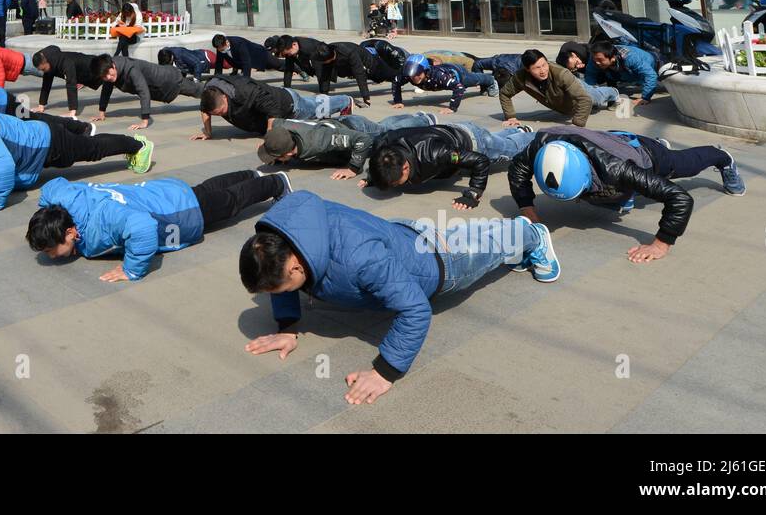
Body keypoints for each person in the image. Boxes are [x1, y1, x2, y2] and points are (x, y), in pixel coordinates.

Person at [239, 191, 559, 405]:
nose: (276, 297)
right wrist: (287, 326)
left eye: (278, 292)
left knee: (490, 249)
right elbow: (278, 277)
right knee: (478, 238)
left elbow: (415, 309)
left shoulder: (359, 259)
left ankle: (532, 234)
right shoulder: (285, 234)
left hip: (438, 265)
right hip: (394, 238)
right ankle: (511, 234)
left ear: (295, 265)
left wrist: (384, 372)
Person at [509, 126, 744, 263]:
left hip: (649, 157)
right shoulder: (538, 146)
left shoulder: (617, 169)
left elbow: (680, 198)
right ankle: (627, 185)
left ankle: (721, 156)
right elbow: (517, 169)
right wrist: (527, 209)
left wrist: (661, 244)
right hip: (609, 141)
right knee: (613, 195)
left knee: (684, 164)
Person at [28, 170, 292, 282]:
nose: (49, 255)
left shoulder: (103, 219)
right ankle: (250, 175)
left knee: (230, 202)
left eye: (51, 249)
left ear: (70, 232)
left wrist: (132, 270)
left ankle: (276, 182)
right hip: (162, 193)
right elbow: (52, 186)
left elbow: (142, 227)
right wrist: (46, 213)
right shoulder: (66, 202)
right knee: (205, 190)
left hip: (178, 212)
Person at [0, 110, 154, 214]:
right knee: (87, 146)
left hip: (47, 144)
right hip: (34, 139)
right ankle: (78, 128)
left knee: (93, 150)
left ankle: (138, 145)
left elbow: (3, 167)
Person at [365, 121, 538, 208]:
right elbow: (380, 159)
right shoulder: (383, 149)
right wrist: (375, 177)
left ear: (405, 167)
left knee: (511, 149)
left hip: (474, 140)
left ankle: (541, 136)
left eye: (395, 183)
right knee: (500, 140)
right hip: (447, 132)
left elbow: (479, 160)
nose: (393, 187)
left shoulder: (435, 153)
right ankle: (518, 130)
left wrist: (473, 192)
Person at [255, 111, 437, 178]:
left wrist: (353, 168)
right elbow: (273, 121)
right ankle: (415, 117)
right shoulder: (284, 129)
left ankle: (425, 120)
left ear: (287, 153)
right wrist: (271, 143)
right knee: (382, 125)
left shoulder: (318, 141)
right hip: (340, 125)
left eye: (275, 156)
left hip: (354, 129)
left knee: (385, 131)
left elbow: (362, 140)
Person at [195, 74, 353, 139]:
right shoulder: (210, 92)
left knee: (316, 110)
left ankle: (345, 100)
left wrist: (270, 140)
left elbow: (273, 111)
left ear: (224, 96)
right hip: (278, 98)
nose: (223, 114)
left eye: (222, 111)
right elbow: (205, 109)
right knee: (313, 104)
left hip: (289, 106)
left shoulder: (246, 91)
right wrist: (208, 132)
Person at [498, 48, 617, 128]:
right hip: (567, 103)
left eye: (544, 65)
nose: (543, 70)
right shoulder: (521, 77)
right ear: (527, 69)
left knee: (597, 97)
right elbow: (505, 93)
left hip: (576, 86)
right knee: (592, 101)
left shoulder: (561, 74)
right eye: (537, 68)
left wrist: (577, 125)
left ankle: (614, 92)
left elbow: (584, 99)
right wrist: (511, 117)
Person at [91, 52, 202, 129]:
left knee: (198, 91)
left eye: (109, 74)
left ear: (113, 66)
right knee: (197, 91)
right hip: (160, 85)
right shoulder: (109, 68)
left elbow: (143, 91)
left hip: (170, 80)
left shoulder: (130, 69)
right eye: (104, 77)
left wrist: (144, 121)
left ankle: (216, 91)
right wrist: (101, 112)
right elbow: (106, 89)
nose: (108, 77)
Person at [390, 53, 497, 114]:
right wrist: (398, 101)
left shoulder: (438, 76)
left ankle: (492, 80)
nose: (414, 78)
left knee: (475, 79)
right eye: (411, 75)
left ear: (426, 71)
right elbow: (396, 81)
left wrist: (452, 108)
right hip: (444, 69)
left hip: (457, 74)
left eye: (418, 74)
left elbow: (459, 88)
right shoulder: (409, 76)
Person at [32, 44, 103, 117]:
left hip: (94, 67)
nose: (43, 71)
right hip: (84, 73)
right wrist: (41, 105)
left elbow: (71, 84)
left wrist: (72, 111)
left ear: (46, 61)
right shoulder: (48, 61)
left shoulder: (65, 62)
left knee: (111, 81)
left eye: (43, 69)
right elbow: (46, 83)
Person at [585, 40, 660, 108]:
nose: (596, 62)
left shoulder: (630, 57)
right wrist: (591, 95)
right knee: (604, 72)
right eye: (595, 59)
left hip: (654, 61)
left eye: (600, 60)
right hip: (621, 69)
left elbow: (650, 75)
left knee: (647, 77)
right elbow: (590, 75)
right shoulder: (596, 58)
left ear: (612, 58)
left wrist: (645, 98)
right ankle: (613, 90)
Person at [210, 34, 286, 78]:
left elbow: (246, 63)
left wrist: (246, 81)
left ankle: (294, 66)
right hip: (248, 59)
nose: (221, 51)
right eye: (219, 49)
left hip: (260, 54)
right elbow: (219, 63)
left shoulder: (238, 44)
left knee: (277, 65)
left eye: (222, 49)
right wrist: (217, 78)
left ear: (226, 42)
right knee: (270, 67)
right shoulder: (220, 46)